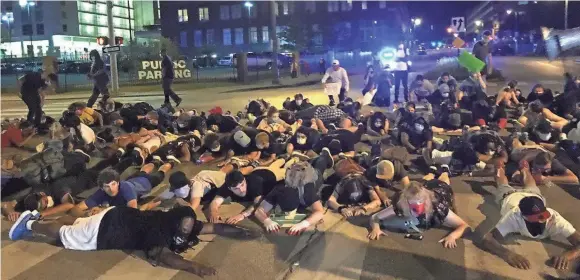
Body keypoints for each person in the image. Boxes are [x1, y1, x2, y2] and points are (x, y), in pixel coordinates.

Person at [8, 206, 257, 277]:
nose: (186, 233)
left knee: (75, 224)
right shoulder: (158, 230)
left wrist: (241, 232)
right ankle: (29, 224)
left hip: (115, 214)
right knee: (67, 236)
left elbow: (215, 226)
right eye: (182, 229)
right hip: (107, 229)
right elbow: (164, 255)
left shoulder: (184, 222)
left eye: (189, 229)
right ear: (173, 225)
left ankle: (34, 218)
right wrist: (195, 267)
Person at [481, 160, 580, 270]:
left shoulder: (554, 218)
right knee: (502, 184)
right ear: (522, 217)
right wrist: (508, 254)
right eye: (538, 218)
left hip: (535, 196)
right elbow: (488, 239)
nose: (543, 220)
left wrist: (568, 256)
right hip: (509, 196)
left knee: (531, 186)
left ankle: (524, 170)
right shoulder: (514, 216)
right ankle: (499, 167)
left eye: (543, 216)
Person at [367, 171, 470, 249]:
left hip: (441, 189)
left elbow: (463, 225)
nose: (417, 206)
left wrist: (452, 236)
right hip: (424, 187)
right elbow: (375, 217)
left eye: (420, 202)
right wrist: (376, 228)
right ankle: (431, 173)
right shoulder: (400, 204)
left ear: (426, 201)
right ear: (405, 201)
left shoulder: (439, 207)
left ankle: (444, 172)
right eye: (413, 202)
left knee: (443, 181)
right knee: (426, 181)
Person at [254, 149, 333, 235]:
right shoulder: (278, 189)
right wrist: (267, 221)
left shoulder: (307, 192)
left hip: (314, 178)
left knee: (319, 167)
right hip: (296, 173)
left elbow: (319, 211)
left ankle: (324, 156)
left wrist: (303, 224)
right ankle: (309, 159)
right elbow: (259, 211)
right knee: (309, 164)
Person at [208, 157, 299, 224]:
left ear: (244, 179)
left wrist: (242, 215)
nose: (242, 189)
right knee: (274, 166)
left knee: (285, 170)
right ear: (229, 188)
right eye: (236, 189)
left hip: (269, 176)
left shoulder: (254, 184)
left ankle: (292, 158)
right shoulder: (227, 185)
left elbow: (257, 203)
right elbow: (215, 201)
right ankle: (284, 158)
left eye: (242, 185)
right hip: (257, 171)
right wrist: (213, 212)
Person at [69, 161, 174, 217]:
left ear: (117, 183)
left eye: (113, 184)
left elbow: (132, 211)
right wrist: (85, 214)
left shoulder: (126, 189)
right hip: (132, 180)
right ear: (102, 187)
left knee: (161, 173)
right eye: (107, 186)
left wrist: (102, 210)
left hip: (145, 184)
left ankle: (169, 163)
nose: (111, 189)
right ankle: (155, 162)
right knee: (143, 171)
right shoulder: (101, 192)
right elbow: (75, 209)